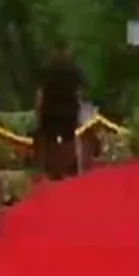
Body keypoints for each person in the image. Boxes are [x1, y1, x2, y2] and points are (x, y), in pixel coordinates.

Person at [35, 41, 84, 179]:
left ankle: (53, 170)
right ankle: (68, 167)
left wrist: (38, 113)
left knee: (51, 143)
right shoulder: (73, 71)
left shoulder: (46, 71)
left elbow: (40, 94)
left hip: (50, 111)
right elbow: (79, 93)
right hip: (68, 111)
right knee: (68, 141)